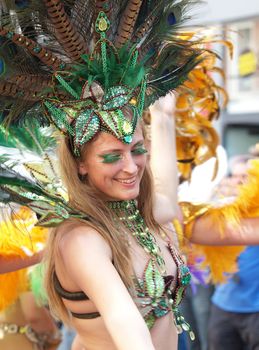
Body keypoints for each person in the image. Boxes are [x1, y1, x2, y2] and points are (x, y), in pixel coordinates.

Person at [2, 2, 259, 350]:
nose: (130, 166)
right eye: (111, 157)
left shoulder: (144, 217)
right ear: (80, 163)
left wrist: (165, 116)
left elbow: (165, 188)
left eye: (137, 150)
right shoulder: (82, 238)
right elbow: (127, 324)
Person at [208, 155, 259, 350]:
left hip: (255, 310)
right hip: (224, 305)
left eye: (245, 177)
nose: (238, 182)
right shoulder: (221, 210)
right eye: (234, 176)